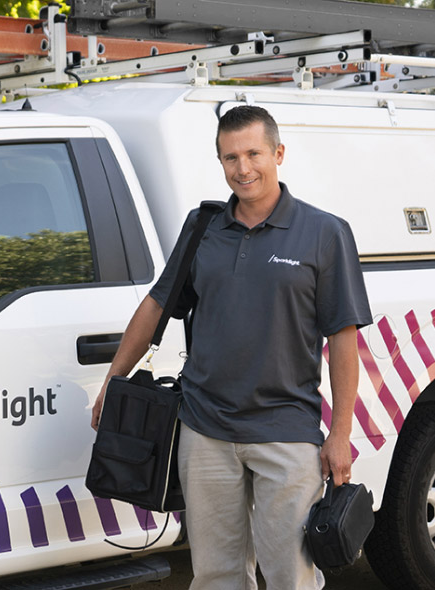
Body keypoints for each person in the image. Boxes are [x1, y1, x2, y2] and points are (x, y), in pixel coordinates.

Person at [91, 105, 373, 590]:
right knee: (216, 575)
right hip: (204, 431)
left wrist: (340, 432)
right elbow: (158, 304)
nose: (243, 168)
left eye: (253, 154)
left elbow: (343, 338)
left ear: (278, 153)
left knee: (290, 575)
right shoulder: (203, 228)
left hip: (285, 430)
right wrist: (114, 379)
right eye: (230, 157)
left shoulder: (324, 232)